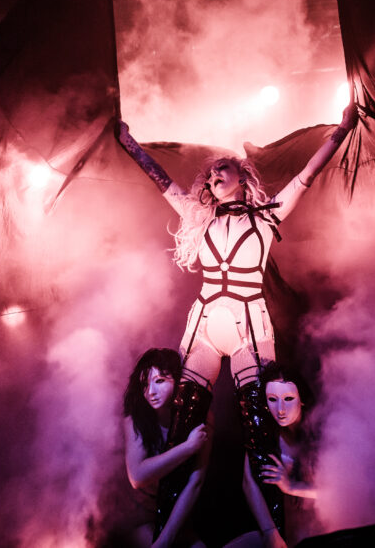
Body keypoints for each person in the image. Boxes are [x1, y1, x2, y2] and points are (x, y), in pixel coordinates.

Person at [116, 103, 357, 532]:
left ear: (243, 176)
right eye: (210, 175)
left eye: (221, 169)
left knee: (260, 427)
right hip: (204, 325)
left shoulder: (268, 216)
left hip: (250, 327)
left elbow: (308, 174)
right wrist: (129, 142)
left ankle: (273, 536)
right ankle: (166, 539)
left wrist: (340, 131)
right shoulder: (198, 216)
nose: (213, 176)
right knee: (185, 424)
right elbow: (161, 180)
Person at [123, 348, 210, 548]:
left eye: (160, 381)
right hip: (141, 516)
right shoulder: (135, 419)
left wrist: (166, 539)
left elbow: (195, 483)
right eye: (145, 384)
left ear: (179, 381)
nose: (150, 392)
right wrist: (188, 447)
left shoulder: (201, 418)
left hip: (179, 514)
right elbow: (137, 476)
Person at [235, 362, 317, 548]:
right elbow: (248, 482)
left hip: (320, 527)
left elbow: (340, 490)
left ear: (302, 399)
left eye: (288, 399)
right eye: (272, 399)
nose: (280, 409)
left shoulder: (321, 430)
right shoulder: (266, 434)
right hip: (280, 529)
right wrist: (270, 531)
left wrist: (291, 486)